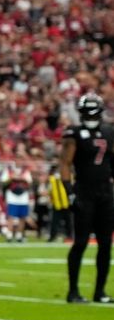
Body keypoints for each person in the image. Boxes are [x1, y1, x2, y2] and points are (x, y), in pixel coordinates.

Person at [59, 93, 113, 303]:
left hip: (105, 193)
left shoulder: (109, 132)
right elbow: (65, 163)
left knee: (106, 244)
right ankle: (73, 291)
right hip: (84, 191)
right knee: (80, 242)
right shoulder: (73, 133)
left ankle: (100, 291)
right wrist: (69, 192)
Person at [0, 161, 32, 242]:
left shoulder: (25, 170)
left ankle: (19, 235)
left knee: (22, 216)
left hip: (23, 196)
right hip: (12, 195)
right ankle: (9, 235)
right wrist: (11, 178)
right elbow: (3, 181)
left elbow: (30, 182)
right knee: (11, 216)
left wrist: (21, 179)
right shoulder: (9, 170)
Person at [47, 164, 72, 242]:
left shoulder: (68, 177)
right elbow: (50, 191)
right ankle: (53, 236)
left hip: (66, 203)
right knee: (55, 221)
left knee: (68, 221)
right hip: (57, 203)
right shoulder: (52, 179)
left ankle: (70, 236)